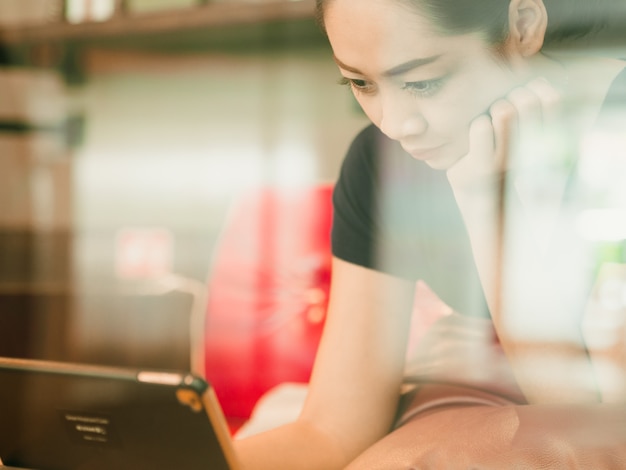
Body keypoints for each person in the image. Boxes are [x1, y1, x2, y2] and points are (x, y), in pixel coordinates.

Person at [233, 0, 626, 468]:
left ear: (523, 25)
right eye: (361, 82)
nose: (395, 124)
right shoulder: (382, 163)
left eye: (423, 82)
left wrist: (485, 203)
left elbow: (587, 417)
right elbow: (333, 431)